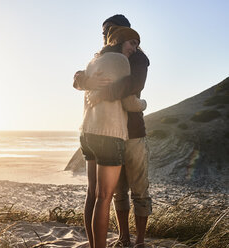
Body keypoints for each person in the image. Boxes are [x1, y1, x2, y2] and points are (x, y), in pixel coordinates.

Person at [74, 14, 152, 248]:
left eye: (110, 29)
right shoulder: (102, 56)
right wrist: (83, 82)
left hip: (132, 131)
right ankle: (123, 238)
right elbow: (80, 77)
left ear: (123, 32)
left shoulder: (138, 58)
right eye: (104, 30)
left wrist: (97, 92)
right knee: (114, 193)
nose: (105, 33)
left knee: (137, 188)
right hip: (110, 132)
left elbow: (132, 86)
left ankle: (138, 241)